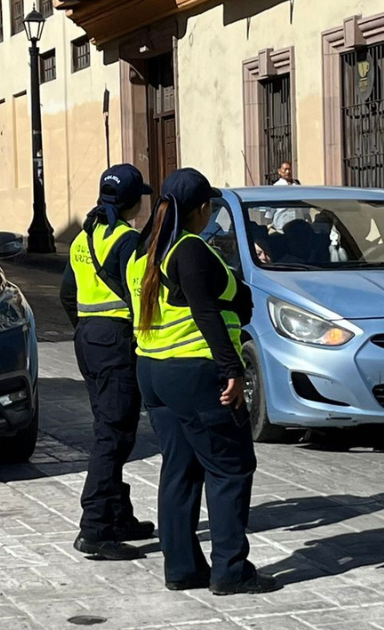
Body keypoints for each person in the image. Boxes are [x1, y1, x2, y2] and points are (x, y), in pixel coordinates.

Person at [127, 168, 276, 596]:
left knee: (181, 468)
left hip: (154, 371)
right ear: (203, 209)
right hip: (196, 371)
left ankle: (182, 567)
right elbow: (206, 313)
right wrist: (232, 369)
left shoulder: (145, 251)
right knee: (230, 468)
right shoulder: (189, 250)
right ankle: (230, 570)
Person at [59, 164, 155, 561]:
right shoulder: (127, 239)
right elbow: (139, 296)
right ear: (133, 202)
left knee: (110, 427)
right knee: (113, 436)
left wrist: (88, 329)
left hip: (88, 339)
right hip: (116, 342)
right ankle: (95, 528)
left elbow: (67, 294)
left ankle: (118, 513)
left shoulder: (85, 235)